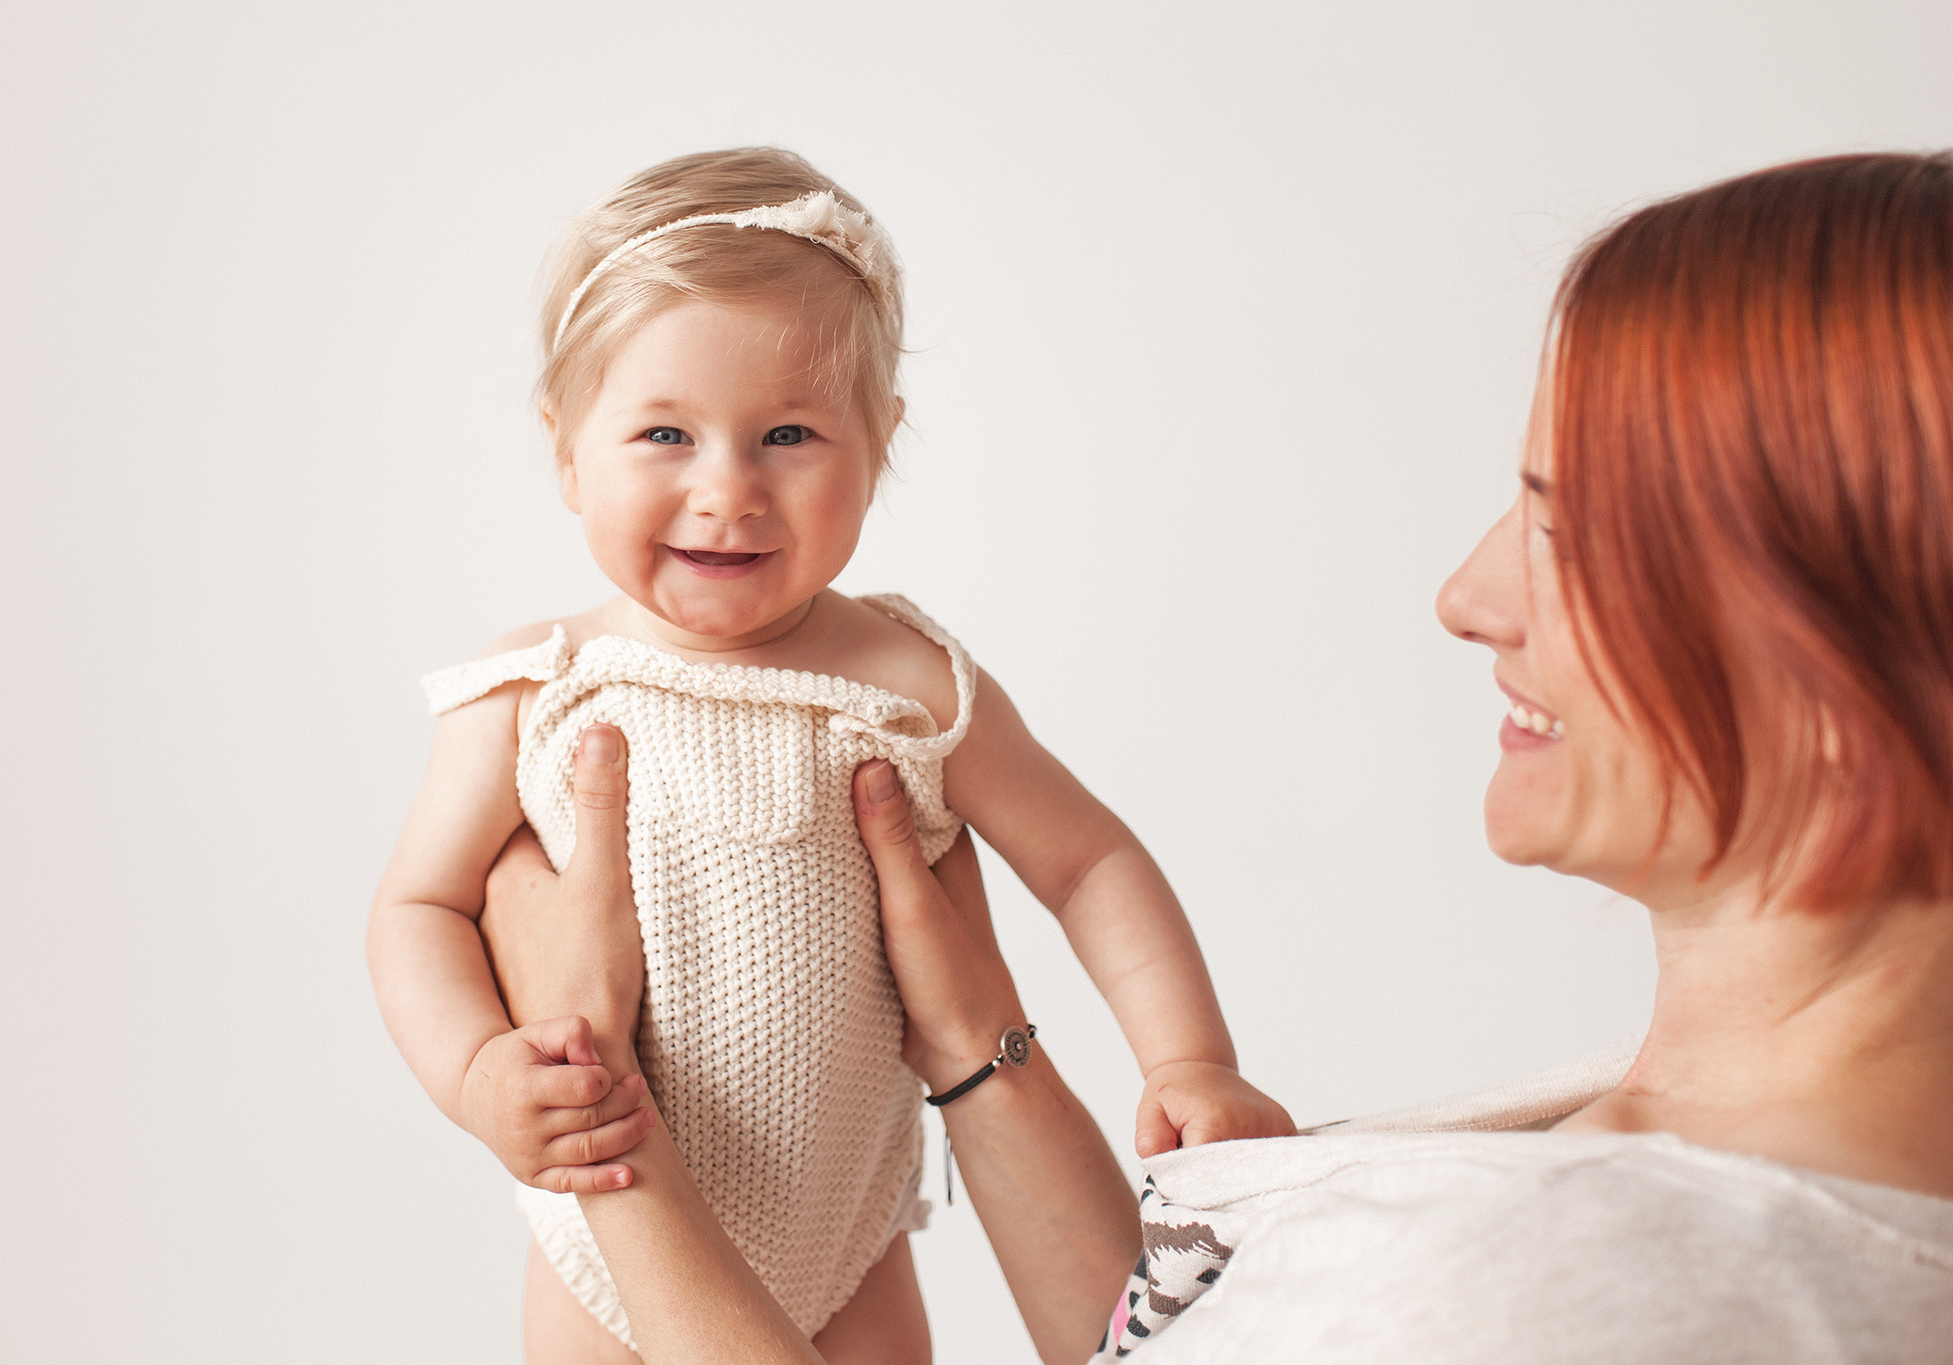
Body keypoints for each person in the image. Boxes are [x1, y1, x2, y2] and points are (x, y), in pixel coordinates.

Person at [479, 151, 1953, 1362]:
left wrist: (612, 1137)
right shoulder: (1662, 1135)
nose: (1469, 595)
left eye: (1567, 527)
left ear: (1845, 666)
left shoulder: (1576, 1292)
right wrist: (979, 1045)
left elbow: (1090, 853)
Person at [365, 147, 1289, 1364]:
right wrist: (481, 1075)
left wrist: (1187, 1057)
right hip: (605, 1238)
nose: (727, 490)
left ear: (881, 441)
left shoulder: (909, 685)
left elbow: (1088, 862)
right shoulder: (535, 691)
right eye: (663, 434)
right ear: (564, 449)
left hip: (852, 1242)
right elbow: (416, 908)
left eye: (787, 433)